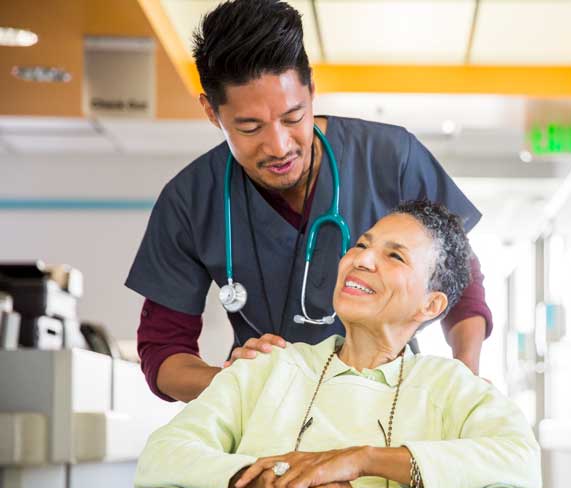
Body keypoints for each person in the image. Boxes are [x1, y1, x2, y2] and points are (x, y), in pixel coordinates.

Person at [125, 0, 493, 404]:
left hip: (388, 405)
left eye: (292, 117)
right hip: (263, 421)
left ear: (311, 90)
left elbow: (460, 276)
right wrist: (238, 386)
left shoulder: (391, 159)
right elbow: (162, 351)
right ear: (212, 112)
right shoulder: (189, 201)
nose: (279, 146)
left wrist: (465, 375)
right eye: (250, 127)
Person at [134, 201, 541, 488]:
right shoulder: (268, 367)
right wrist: (278, 481)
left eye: (395, 257)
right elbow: (163, 453)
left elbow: (520, 460)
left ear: (429, 304)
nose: (361, 261)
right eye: (361, 245)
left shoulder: (447, 384)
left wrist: (359, 459)